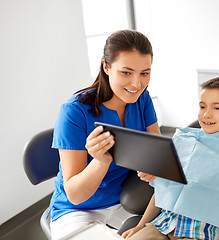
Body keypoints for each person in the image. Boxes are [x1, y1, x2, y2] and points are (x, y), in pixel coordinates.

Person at [48, 30, 160, 240]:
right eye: (126, 72)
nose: (137, 84)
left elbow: (156, 154)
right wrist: (100, 162)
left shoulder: (142, 99)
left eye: (144, 73)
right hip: (77, 210)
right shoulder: (74, 111)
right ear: (106, 66)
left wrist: (153, 167)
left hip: (126, 199)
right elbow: (75, 195)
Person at [122, 77, 219, 240]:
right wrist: (141, 225)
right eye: (202, 106)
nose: (206, 114)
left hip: (200, 234)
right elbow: (162, 191)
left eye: (217, 108)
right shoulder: (183, 141)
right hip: (162, 225)